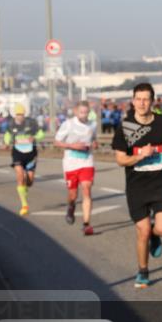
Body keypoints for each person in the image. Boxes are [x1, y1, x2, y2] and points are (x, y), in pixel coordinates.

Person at [112, 83, 162, 289]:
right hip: (137, 187)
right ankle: (143, 272)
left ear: (152, 101)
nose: (142, 103)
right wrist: (140, 155)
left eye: (146, 99)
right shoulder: (126, 127)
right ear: (133, 101)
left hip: (159, 183)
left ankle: (156, 236)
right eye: (138, 99)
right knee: (142, 231)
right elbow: (121, 160)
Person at [54, 100, 98, 235]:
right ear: (75, 111)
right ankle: (71, 206)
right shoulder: (68, 124)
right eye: (81, 112)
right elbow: (56, 142)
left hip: (86, 162)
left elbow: (94, 140)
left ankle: (86, 224)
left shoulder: (93, 125)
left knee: (87, 188)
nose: (84, 115)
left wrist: (94, 144)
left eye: (86, 112)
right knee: (73, 195)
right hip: (70, 163)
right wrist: (73, 146)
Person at [3, 104, 45, 215]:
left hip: (31, 154)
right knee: (20, 174)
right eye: (18, 114)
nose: (19, 116)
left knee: (30, 181)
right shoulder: (11, 124)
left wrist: (35, 137)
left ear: (24, 114)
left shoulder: (31, 123)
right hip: (17, 153)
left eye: (21, 114)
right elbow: (7, 135)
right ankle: (24, 205)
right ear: (14, 115)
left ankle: (24, 188)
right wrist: (7, 143)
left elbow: (41, 134)